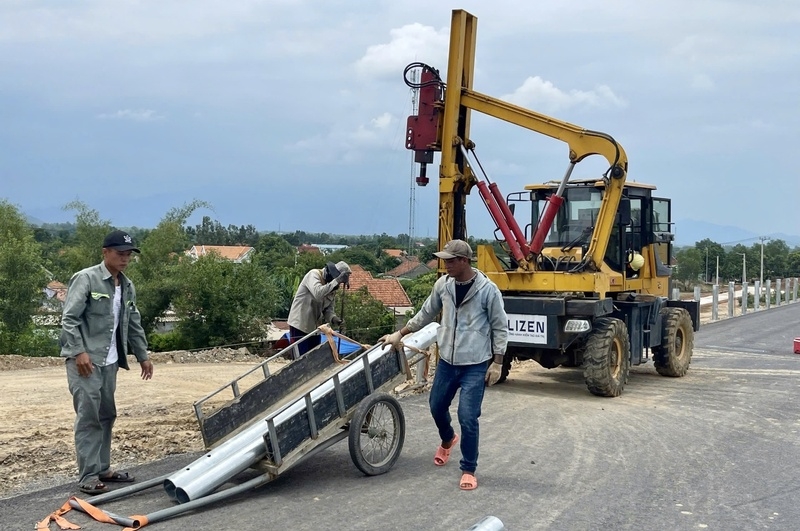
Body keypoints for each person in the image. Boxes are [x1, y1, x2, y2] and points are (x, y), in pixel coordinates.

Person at [380, 239, 507, 491]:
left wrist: (498, 362)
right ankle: (448, 438)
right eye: (444, 259)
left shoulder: (487, 290)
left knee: (468, 417)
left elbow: (500, 326)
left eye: (450, 260)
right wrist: (400, 333)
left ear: (463, 261)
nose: (445, 264)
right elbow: (426, 313)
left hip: (475, 363)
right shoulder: (443, 286)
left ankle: (468, 468)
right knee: (437, 407)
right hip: (447, 361)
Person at [60, 230, 153, 495]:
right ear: (105, 253)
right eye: (120, 254)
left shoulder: (127, 285)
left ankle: (103, 468)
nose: (125, 259)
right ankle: (88, 476)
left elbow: (132, 322)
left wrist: (142, 355)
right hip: (85, 363)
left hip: (110, 361)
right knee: (89, 417)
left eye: (128, 255)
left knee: (107, 414)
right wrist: (79, 351)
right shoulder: (86, 278)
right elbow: (69, 318)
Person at [287, 261, 351, 356]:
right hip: (300, 324)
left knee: (314, 357)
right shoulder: (313, 275)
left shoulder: (332, 287)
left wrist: (334, 319)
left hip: (315, 328)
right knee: (300, 358)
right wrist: (336, 281)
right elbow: (318, 294)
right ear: (330, 274)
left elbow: (328, 310)